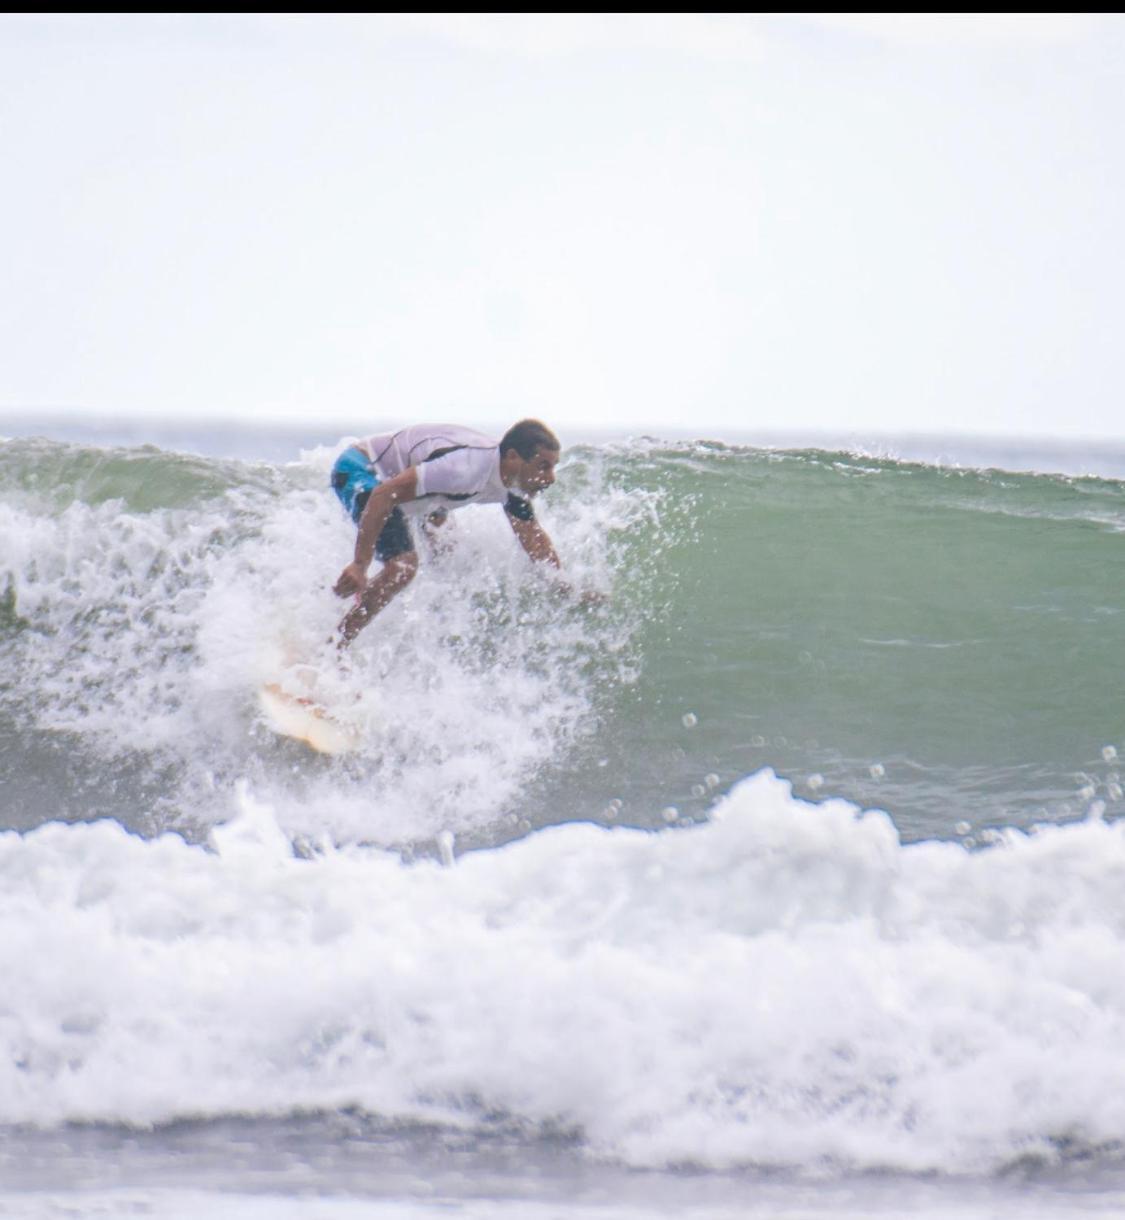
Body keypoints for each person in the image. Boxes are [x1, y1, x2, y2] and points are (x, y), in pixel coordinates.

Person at [330, 419, 565, 646]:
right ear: (513, 457)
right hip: (362, 470)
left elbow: (534, 539)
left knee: (448, 555)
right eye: (543, 466)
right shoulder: (464, 468)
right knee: (403, 567)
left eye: (553, 467)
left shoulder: (512, 485)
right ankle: (334, 647)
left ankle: (342, 606)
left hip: (420, 497)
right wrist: (360, 564)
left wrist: (563, 586)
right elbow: (384, 494)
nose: (551, 477)